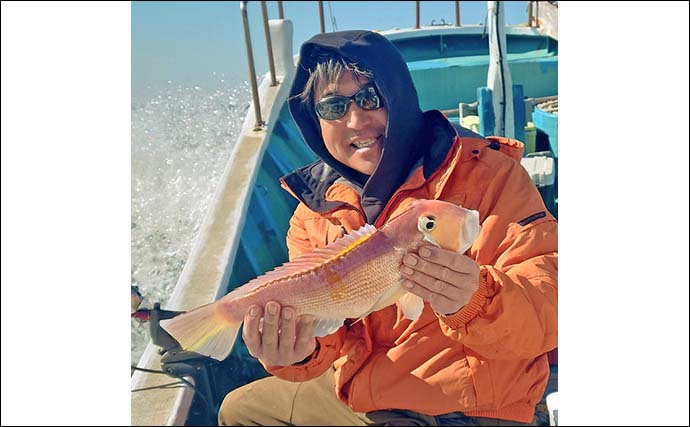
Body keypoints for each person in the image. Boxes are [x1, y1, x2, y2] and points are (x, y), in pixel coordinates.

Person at [218, 30, 557, 426]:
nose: (357, 120)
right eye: (333, 106)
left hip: (467, 408)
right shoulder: (314, 213)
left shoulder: (491, 176)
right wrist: (298, 352)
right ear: (315, 122)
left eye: (369, 98)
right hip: (362, 392)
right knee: (240, 411)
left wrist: (475, 298)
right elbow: (331, 336)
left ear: (399, 97)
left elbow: (552, 304)